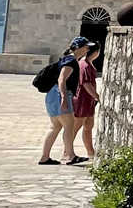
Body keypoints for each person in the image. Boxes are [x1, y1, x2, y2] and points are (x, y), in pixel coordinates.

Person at [37, 37, 90, 165]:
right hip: (59, 95)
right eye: (86, 47)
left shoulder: (67, 59)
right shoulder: (71, 61)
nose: (87, 49)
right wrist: (64, 98)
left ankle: (45, 157)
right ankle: (70, 156)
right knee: (69, 125)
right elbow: (62, 80)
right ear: (79, 47)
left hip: (52, 95)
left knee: (55, 126)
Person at [73, 42, 102, 162]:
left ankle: (91, 152)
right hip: (82, 100)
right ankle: (68, 151)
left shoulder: (88, 64)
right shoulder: (84, 65)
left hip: (89, 101)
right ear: (95, 52)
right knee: (75, 127)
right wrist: (97, 96)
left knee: (88, 126)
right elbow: (86, 83)